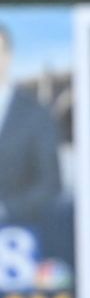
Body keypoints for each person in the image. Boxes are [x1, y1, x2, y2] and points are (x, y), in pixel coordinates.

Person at [0, 23, 62, 228]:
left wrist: (6, 209)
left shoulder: (36, 115)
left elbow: (50, 185)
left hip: (18, 232)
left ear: (8, 56)